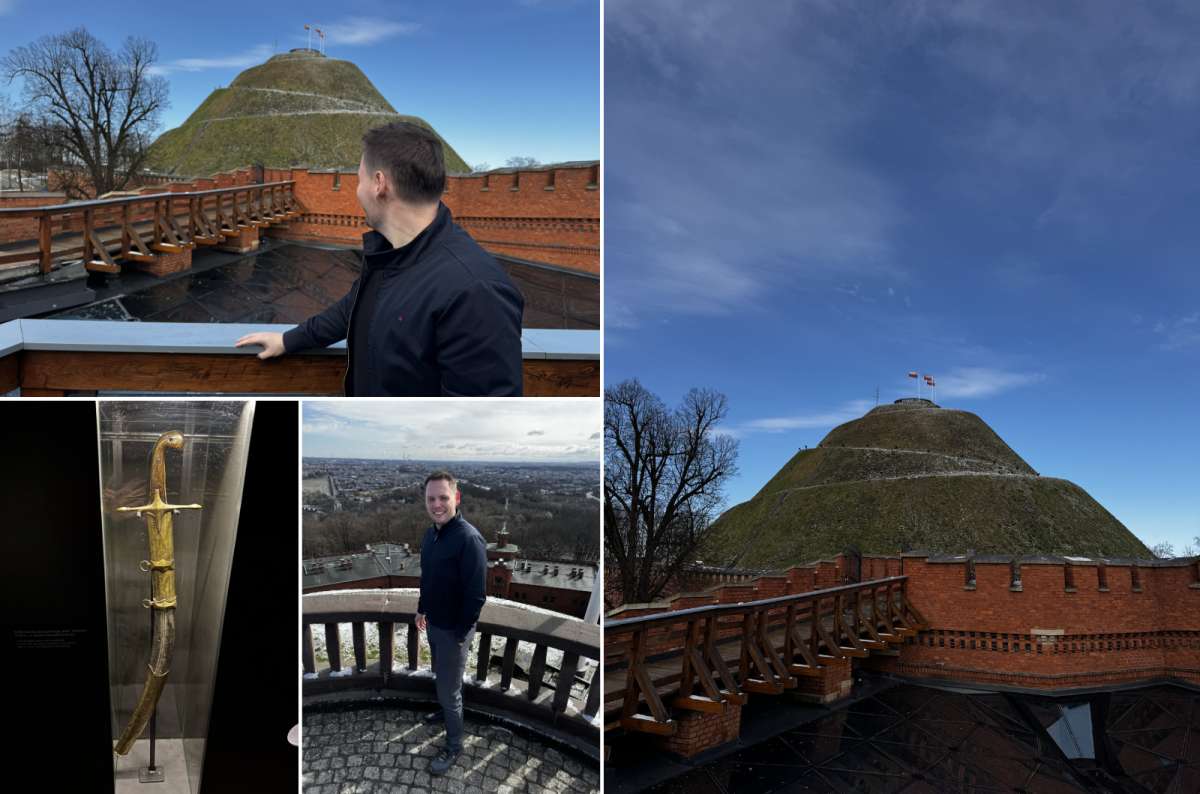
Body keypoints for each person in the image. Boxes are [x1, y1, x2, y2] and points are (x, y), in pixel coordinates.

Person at [234, 121, 524, 396]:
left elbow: (480, 412)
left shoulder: (475, 291)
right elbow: (354, 307)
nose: (357, 191)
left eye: (359, 180)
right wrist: (289, 340)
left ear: (379, 184)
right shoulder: (393, 253)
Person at [414, 471, 487, 775]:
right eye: (431, 498)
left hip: (453, 631)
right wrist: (422, 609)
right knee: (444, 680)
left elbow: (476, 596)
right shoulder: (431, 535)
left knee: (449, 689)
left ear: (456, 498)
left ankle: (455, 745)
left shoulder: (469, 539)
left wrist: (459, 634)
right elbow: (428, 578)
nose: (437, 504)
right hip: (435, 623)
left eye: (443, 497)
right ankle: (446, 712)